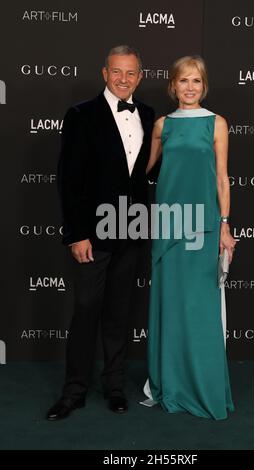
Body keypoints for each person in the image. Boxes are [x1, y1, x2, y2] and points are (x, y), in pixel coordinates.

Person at [46, 45, 154, 420]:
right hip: (92, 233)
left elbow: (144, 176)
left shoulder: (149, 114)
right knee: (86, 310)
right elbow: (69, 179)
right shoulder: (80, 115)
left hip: (133, 228)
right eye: (117, 72)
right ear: (104, 73)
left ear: (140, 76)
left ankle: (114, 386)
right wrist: (77, 234)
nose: (124, 79)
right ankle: (74, 391)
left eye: (131, 73)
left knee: (119, 313)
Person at [145, 55, 236, 419]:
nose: (189, 87)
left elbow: (221, 178)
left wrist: (225, 225)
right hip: (168, 226)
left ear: (204, 85)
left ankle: (202, 385)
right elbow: (141, 171)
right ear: (173, 86)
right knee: (172, 305)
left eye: (196, 81)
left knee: (200, 310)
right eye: (183, 81)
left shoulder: (217, 124)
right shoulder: (162, 125)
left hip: (205, 226)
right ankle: (171, 383)